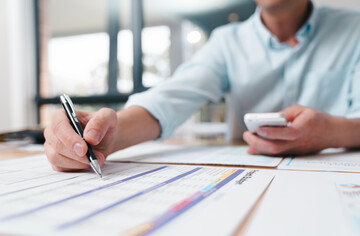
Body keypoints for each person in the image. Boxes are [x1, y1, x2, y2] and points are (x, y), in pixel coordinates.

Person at [44, 0, 360, 172]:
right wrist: (103, 135)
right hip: (253, 176)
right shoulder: (227, 41)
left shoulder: (354, 28)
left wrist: (333, 132)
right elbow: (171, 98)